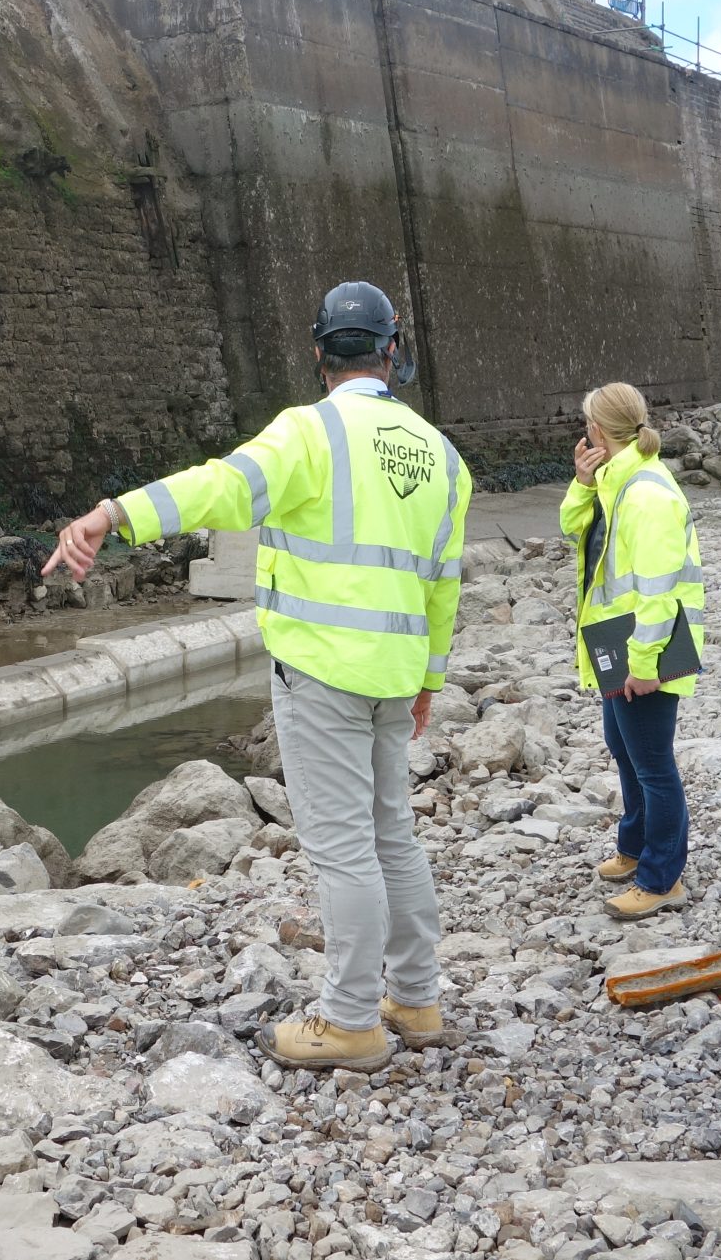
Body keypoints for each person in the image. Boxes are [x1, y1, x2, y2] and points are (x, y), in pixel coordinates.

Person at [43, 280, 469, 1073]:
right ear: (392, 350)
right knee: (391, 836)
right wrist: (430, 679)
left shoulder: (309, 435)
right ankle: (415, 996)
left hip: (319, 672)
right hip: (393, 676)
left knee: (342, 849)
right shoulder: (442, 458)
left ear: (319, 355)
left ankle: (349, 1021)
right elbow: (444, 584)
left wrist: (114, 512)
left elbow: (220, 487)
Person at [560, 383, 706, 921]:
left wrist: (644, 666)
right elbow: (572, 530)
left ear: (597, 430)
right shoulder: (615, 484)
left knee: (653, 764)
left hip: (645, 647)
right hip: (615, 640)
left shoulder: (645, 494)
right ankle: (636, 847)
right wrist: (581, 482)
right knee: (624, 749)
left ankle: (662, 877)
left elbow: (658, 590)